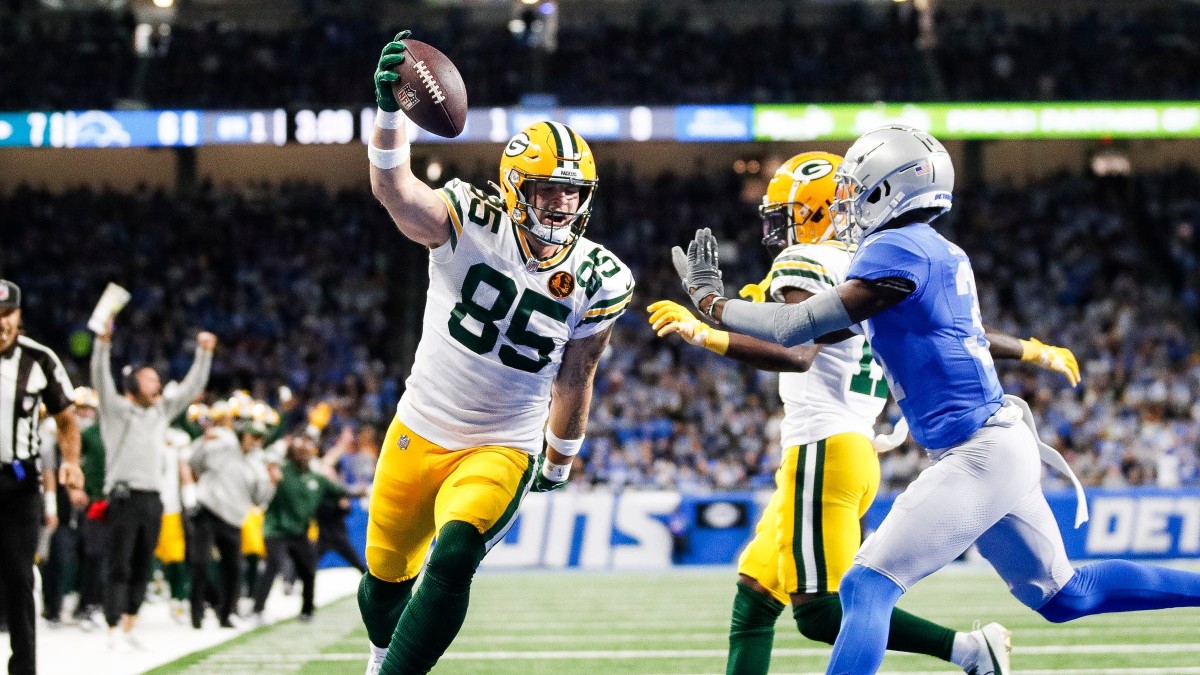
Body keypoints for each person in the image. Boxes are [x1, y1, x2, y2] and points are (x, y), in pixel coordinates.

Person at [671, 124, 1200, 675]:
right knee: (1068, 595)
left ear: (887, 188)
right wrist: (1031, 349)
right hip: (997, 443)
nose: (847, 200)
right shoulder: (932, 249)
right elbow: (850, 331)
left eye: (857, 187)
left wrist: (711, 303)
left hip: (978, 453)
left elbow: (795, 327)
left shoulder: (893, 248)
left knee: (865, 586)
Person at [359, 31, 633, 675]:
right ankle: (380, 657)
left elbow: (577, 376)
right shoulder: (468, 220)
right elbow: (395, 190)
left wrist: (561, 456)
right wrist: (391, 113)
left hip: (504, 443)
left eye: (572, 191)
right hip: (420, 427)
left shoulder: (602, 276)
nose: (561, 203)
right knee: (384, 582)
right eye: (546, 189)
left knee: (455, 556)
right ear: (514, 188)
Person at [90, 321, 215, 649]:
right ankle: (112, 626)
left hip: (153, 498)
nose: (156, 383)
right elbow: (100, 378)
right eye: (149, 379)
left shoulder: (161, 412)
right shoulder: (116, 410)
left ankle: (130, 625)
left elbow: (190, 388)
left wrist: (204, 354)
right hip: (124, 495)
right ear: (132, 384)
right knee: (120, 563)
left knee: (143, 564)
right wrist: (102, 343)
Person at [0, 279, 83, 675]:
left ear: (19, 316)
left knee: (19, 575)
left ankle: (24, 669)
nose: (1, 322)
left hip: (18, 482)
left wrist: (72, 461)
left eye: (7, 314)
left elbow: (67, 419)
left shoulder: (39, 359)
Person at [186, 419, 278, 629]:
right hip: (208, 512)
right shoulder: (223, 448)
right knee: (200, 563)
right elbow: (195, 464)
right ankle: (196, 614)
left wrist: (272, 483)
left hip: (234, 520)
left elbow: (259, 500)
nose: (255, 441)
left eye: (260, 438)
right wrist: (202, 442)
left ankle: (226, 613)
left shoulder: (258, 465)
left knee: (234, 569)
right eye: (252, 436)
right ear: (242, 435)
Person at [250, 435, 345, 624]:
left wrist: (361, 492)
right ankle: (257, 610)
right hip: (276, 529)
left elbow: (339, 491)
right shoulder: (281, 471)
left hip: (299, 532)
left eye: (306, 452)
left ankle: (307, 611)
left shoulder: (317, 477)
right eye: (299, 452)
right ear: (291, 453)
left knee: (309, 569)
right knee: (273, 565)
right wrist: (272, 468)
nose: (303, 455)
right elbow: (262, 457)